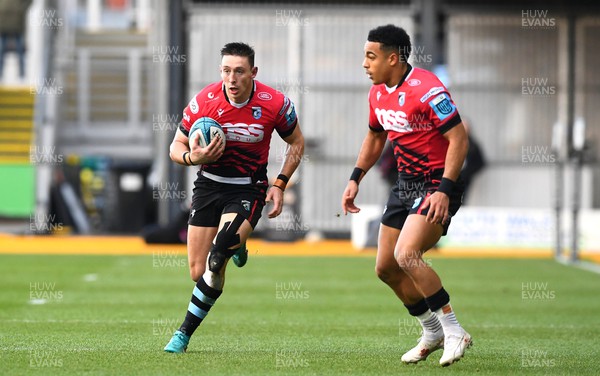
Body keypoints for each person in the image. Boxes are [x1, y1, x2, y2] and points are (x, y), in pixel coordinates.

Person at [341, 25, 472, 367]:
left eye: (371, 56)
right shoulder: (378, 94)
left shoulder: (427, 89)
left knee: (407, 254)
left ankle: (454, 329)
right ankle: (432, 331)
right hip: (406, 184)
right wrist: (356, 177)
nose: (365, 64)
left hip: (437, 183)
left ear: (393, 58)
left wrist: (444, 190)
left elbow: (459, 140)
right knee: (385, 267)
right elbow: (374, 138)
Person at [163, 42, 304, 353]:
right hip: (209, 186)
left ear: (253, 72)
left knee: (217, 258)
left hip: (247, 188)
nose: (232, 78)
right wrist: (192, 157)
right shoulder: (204, 101)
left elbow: (296, 143)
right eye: (226, 71)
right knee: (199, 272)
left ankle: (182, 334)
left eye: (239, 71)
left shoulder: (274, 103)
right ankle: (240, 243)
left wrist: (279, 184)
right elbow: (175, 146)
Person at [0, 0, 31, 82]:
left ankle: (22, 77)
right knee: (1, 52)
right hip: (3, 22)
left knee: (20, 52)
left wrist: (21, 9)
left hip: (17, 22)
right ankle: (1, 75)